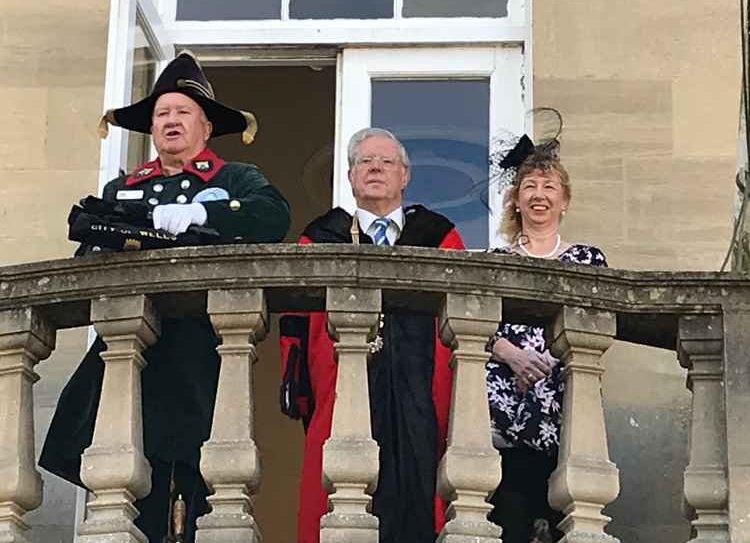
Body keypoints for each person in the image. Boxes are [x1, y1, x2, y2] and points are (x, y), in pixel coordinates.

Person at [39, 51, 290, 542]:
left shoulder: (233, 179)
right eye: (162, 114)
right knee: (119, 469)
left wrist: (206, 214)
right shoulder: (124, 186)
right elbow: (87, 259)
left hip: (197, 347)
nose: (171, 121)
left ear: (205, 126)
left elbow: (273, 216)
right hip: (130, 350)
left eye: (182, 113)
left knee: (188, 475)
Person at [279, 127, 464, 543]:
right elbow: (295, 320)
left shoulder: (439, 237)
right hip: (340, 387)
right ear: (350, 176)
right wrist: (296, 386)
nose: (376, 168)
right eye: (365, 161)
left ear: (405, 176)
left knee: (418, 500)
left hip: (420, 388)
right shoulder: (320, 237)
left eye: (387, 162)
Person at [485, 147, 607, 543]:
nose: (539, 194)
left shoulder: (587, 260)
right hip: (503, 410)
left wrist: (545, 361)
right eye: (530, 186)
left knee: (562, 521)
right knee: (509, 519)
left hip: (563, 405)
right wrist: (513, 356)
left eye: (549, 186)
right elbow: (477, 327)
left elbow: (599, 324)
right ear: (516, 200)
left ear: (564, 199)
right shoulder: (495, 260)